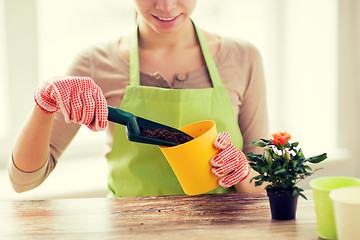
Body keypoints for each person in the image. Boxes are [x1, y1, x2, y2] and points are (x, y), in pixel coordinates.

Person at [9, 0, 269, 197]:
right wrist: (45, 103)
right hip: (129, 231)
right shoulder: (94, 63)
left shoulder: (244, 58)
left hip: (223, 232)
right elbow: (23, 182)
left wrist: (242, 171)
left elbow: (266, 184)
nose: (166, 6)